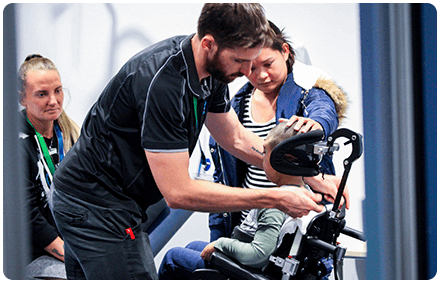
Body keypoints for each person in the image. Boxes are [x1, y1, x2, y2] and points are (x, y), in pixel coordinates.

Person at [48, 4, 337, 280]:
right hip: (95, 204)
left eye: (251, 60)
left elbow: (234, 137)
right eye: (239, 61)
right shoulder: (163, 84)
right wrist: (275, 197)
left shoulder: (212, 73)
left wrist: (306, 175)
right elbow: (178, 193)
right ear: (209, 43)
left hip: (105, 197)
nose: (247, 72)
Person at [208, 21, 349, 241]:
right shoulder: (235, 105)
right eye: (252, 68)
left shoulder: (308, 92)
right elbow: (223, 176)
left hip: (296, 234)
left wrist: (317, 125)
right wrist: (218, 234)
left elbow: (324, 110)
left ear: (284, 51)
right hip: (247, 232)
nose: (261, 75)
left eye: (268, 64)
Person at [158, 121, 325, 279]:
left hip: (245, 270)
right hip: (249, 260)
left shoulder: (276, 203)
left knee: (172, 257)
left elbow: (259, 255)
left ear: (286, 158)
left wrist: (221, 243)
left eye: (265, 151)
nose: (261, 157)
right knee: (193, 246)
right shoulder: (305, 194)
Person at [18, 54, 80, 279]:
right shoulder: (16, 145)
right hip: (36, 254)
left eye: (58, 90)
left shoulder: (70, 134)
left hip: (76, 240)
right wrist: (76, 257)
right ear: (22, 98)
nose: (53, 101)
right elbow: (29, 218)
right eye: (42, 94)